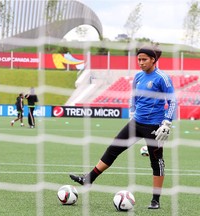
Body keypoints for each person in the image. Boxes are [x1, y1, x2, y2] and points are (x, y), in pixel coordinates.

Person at [69, 45, 177, 210]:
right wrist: (132, 112)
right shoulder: (138, 77)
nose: (140, 63)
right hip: (136, 123)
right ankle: (88, 179)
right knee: (113, 149)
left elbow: (173, 101)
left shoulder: (162, 78)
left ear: (153, 60)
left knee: (157, 162)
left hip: (154, 126)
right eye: (139, 59)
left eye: (144, 59)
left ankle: (156, 199)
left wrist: (167, 123)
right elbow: (133, 97)